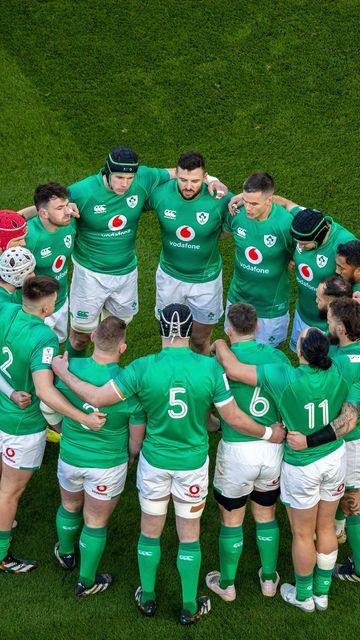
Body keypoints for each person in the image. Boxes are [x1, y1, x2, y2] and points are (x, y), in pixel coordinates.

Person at [51, 303, 284, 624]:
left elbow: (97, 397)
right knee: (189, 535)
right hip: (191, 465)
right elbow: (231, 417)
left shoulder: (143, 368)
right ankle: (189, 605)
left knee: (150, 532)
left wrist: (63, 372)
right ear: (190, 331)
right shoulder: (210, 369)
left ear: (161, 327)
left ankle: (147, 597)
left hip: (154, 464)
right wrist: (269, 431)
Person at [212, 327, 359, 612]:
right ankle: (322, 594)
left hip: (302, 466)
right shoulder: (340, 371)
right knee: (326, 527)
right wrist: (315, 439)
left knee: (303, 534)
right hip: (334, 459)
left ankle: (303, 595)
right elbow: (349, 420)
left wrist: (219, 341)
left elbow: (231, 367)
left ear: (300, 352)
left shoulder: (284, 376)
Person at [0, 276, 106, 573]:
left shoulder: (6, 311)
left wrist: (7, 391)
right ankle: (1, 555)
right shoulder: (43, 337)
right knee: (9, 492)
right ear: (47, 308)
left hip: (3, 410)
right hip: (22, 426)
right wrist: (82, 417)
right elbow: (45, 391)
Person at [41, 316, 146, 596]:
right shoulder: (127, 384)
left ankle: (66, 553)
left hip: (71, 458)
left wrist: (62, 429)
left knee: (69, 506)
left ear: (93, 338)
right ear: (122, 349)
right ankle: (86, 581)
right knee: (95, 522)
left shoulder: (68, 367)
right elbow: (136, 437)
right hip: (108, 466)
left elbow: (47, 403)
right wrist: (132, 457)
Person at [206, 302, 291, 603]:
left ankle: (227, 584)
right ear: (257, 327)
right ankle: (269, 579)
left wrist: (213, 424)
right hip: (272, 451)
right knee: (266, 514)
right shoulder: (278, 357)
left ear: (229, 329)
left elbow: (208, 408)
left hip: (236, 452)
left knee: (232, 519)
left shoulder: (217, 362)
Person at [146, 151, 230, 354]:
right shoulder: (161, 193)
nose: (188, 186)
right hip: (170, 277)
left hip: (206, 280)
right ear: (175, 174)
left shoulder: (219, 198)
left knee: (200, 339)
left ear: (204, 176)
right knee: (170, 337)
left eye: (195, 180)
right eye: (183, 179)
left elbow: (251, 210)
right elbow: (133, 187)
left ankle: (200, 382)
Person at [268, 198, 355, 350]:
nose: (299, 246)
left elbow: (357, 275)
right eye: (298, 242)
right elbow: (287, 204)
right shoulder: (306, 219)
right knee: (301, 356)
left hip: (329, 323)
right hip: (302, 314)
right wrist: (242, 198)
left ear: (320, 235)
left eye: (304, 243)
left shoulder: (344, 243)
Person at [225, 173, 295, 347]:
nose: (247, 207)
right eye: (246, 200)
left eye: (254, 203)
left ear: (270, 200)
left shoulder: (286, 224)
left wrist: (292, 260)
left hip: (269, 308)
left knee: (268, 356)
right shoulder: (237, 214)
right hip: (237, 299)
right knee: (237, 351)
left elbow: (303, 253)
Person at [24, 183, 76, 344]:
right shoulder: (29, 236)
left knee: (57, 343)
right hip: (36, 308)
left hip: (60, 300)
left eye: (67, 205)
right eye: (60, 208)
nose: (68, 211)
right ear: (43, 213)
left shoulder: (69, 223)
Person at [0, 247, 36, 409]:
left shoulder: (9, 294)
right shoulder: (6, 309)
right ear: (18, 277)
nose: (35, 276)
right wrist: (10, 392)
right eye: (31, 273)